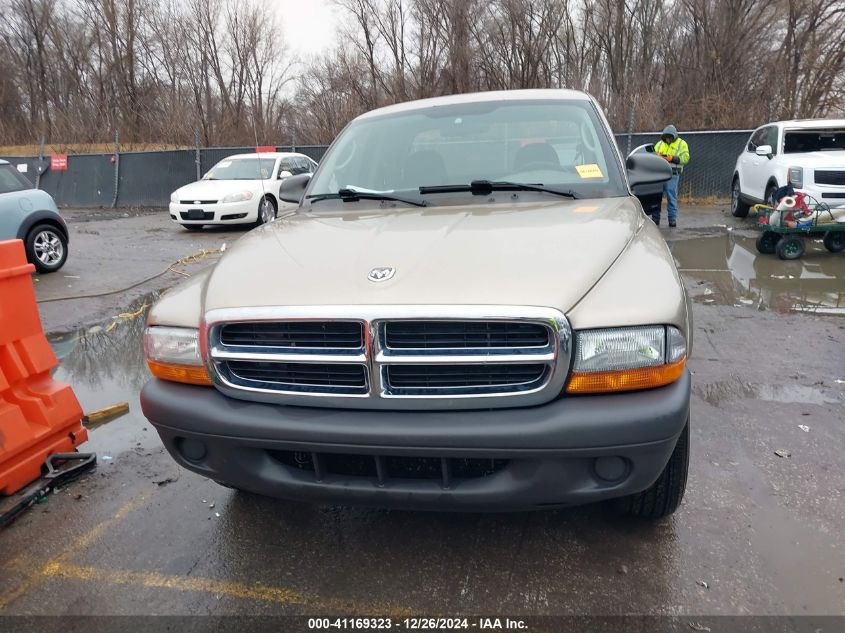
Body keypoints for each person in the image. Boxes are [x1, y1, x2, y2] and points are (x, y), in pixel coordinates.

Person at [652, 125, 690, 227]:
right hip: (660, 174)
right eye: (666, 137)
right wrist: (658, 157)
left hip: (673, 174)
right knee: (656, 197)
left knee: (671, 197)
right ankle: (655, 220)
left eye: (670, 137)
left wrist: (672, 158)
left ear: (674, 136)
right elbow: (652, 155)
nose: (668, 139)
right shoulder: (659, 144)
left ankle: (672, 220)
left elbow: (686, 158)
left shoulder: (682, 144)